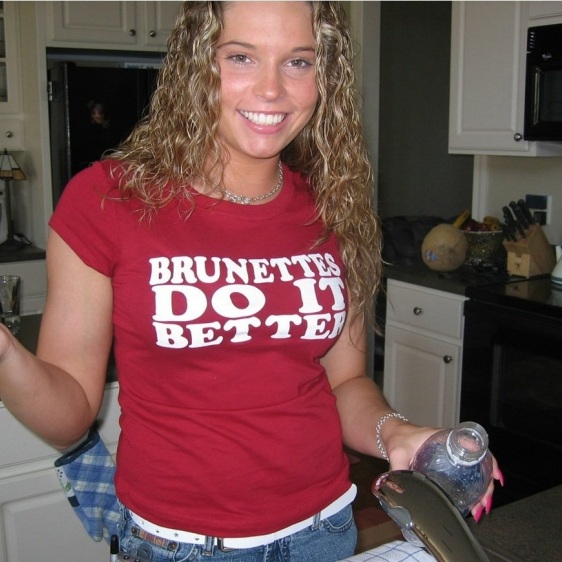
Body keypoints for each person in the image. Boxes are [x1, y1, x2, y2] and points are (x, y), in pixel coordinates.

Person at [0, 2, 503, 561]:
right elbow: (69, 415)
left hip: (324, 531)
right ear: (196, 64)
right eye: (240, 57)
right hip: (179, 546)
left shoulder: (335, 209)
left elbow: (344, 383)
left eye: (298, 62)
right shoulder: (108, 199)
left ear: (324, 77)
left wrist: (398, 433)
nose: (271, 89)